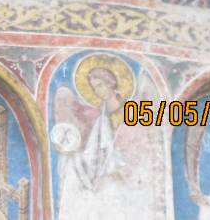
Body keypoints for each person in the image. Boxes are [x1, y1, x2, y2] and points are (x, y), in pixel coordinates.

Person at [53, 66, 156, 218]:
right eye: (94, 88)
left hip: (129, 182)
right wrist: (76, 157)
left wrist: (116, 175)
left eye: (100, 85)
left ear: (111, 83)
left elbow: (142, 154)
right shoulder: (100, 120)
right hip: (104, 181)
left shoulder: (131, 114)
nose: (98, 91)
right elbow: (92, 154)